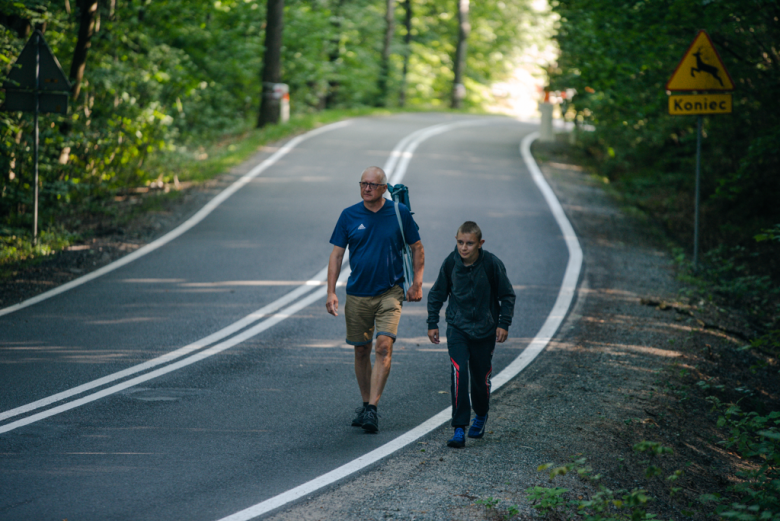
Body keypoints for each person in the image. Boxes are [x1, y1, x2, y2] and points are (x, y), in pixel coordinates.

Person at [326, 166, 425, 433]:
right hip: (358, 292)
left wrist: (417, 283)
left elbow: (417, 247)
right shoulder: (349, 215)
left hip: (390, 291)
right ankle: (365, 403)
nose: (367, 188)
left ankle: (372, 409)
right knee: (361, 350)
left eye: (372, 184)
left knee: (383, 347)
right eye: (363, 183)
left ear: (383, 188)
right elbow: (336, 255)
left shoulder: (398, 212)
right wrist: (331, 291)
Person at [427, 221, 515, 448]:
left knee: (480, 379)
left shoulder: (492, 264)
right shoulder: (451, 263)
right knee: (459, 373)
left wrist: (503, 324)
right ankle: (458, 428)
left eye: (469, 243)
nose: (463, 248)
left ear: (480, 244)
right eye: (460, 242)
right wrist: (432, 322)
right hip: (458, 327)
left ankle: (482, 414)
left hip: (485, 330)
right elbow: (437, 293)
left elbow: (507, 296)